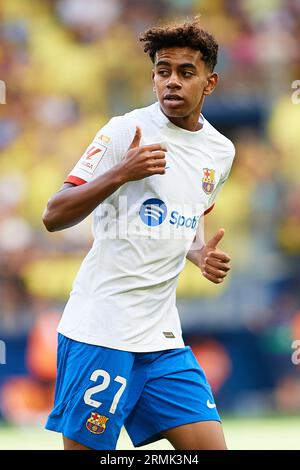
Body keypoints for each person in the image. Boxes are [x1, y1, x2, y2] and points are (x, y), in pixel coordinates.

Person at [43, 18, 235, 451]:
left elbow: (183, 220)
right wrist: (121, 173)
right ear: (152, 78)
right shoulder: (123, 131)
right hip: (101, 332)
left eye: (186, 73)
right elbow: (53, 214)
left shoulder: (221, 151)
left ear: (210, 82)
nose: (172, 82)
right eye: (163, 71)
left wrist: (199, 253)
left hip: (162, 339)